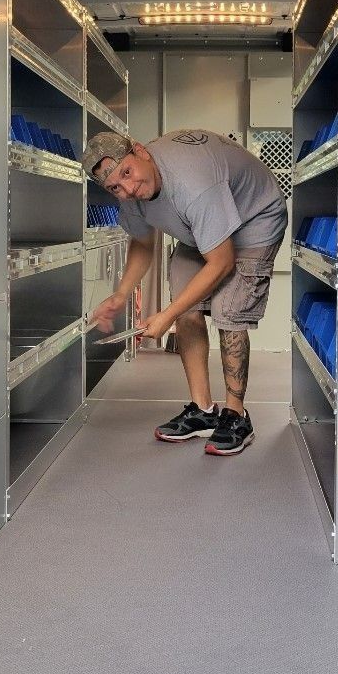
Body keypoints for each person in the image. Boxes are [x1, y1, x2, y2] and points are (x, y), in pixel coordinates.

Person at [83, 128, 288, 455]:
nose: (128, 187)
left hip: (255, 219)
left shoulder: (192, 182)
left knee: (229, 313)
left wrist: (166, 315)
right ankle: (203, 411)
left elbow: (220, 262)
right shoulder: (132, 194)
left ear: (141, 151)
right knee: (187, 306)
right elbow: (142, 242)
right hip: (201, 229)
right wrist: (120, 295)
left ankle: (236, 416)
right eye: (115, 187)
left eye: (127, 172)